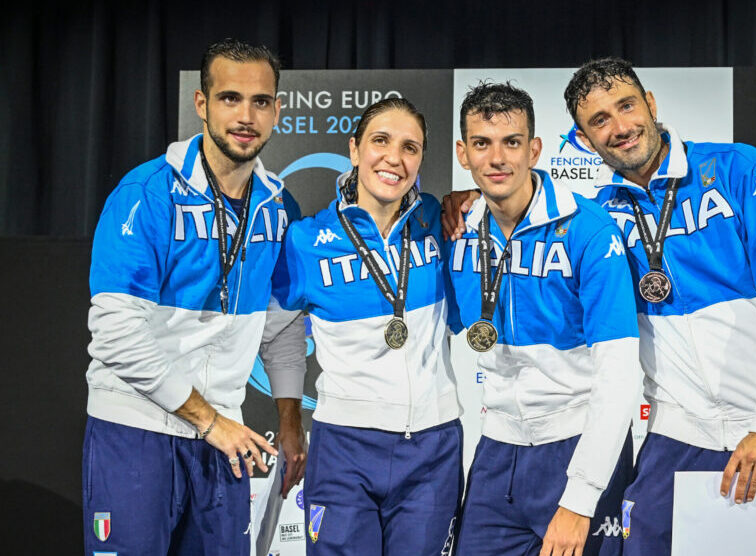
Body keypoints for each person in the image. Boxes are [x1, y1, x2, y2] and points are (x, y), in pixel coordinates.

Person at [443, 58, 756, 555]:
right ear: (583, 140)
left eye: (626, 106)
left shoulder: (738, 171)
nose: (619, 127)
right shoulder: (598, 216)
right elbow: (529, 206)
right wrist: (478, 195)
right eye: (599, 120)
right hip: (675, 439)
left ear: (651, 104)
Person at [83, 39, 307, 555]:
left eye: (260, 101)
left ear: (277, 110)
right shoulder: (146, 193)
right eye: (230, 98)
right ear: (202, 104)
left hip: (223, 436)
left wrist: (290, 423)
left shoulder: (279, 206)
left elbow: (283, 328)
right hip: (136, 429)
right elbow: (115, 333)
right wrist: (209, 422)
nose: (246, 116)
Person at [447, 82, 639, 556]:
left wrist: (580, 498)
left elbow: (619, 372)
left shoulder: (588, 229)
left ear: (534, 149)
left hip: (580, 448)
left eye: (511, 142)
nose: (497, 158)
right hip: (496, 453)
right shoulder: (452, 230)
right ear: (462, 154)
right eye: (481, 144)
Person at [272, 98, 463, 555]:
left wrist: (471, 199)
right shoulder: (304, 241)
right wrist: (290, 422)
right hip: (343, 448)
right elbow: (277, 334)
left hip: (432, 448)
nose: (395, 158)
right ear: (354, 150)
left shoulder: (439, 221)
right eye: (381, 141)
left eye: (410, 147)